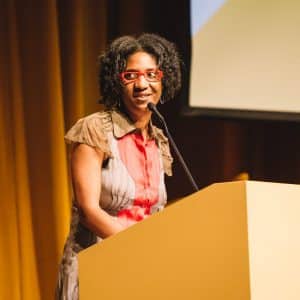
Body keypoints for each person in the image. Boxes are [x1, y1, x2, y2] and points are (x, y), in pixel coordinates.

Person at [55, 33, 182, 299]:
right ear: (116, 80)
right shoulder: (94, 130)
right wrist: (138, 248)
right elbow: (89, 210)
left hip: (142, 271)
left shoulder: (159, 140)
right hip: (96, 265)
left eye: (151, 74)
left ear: (164, 78)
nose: (142, 84)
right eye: (130, 76)